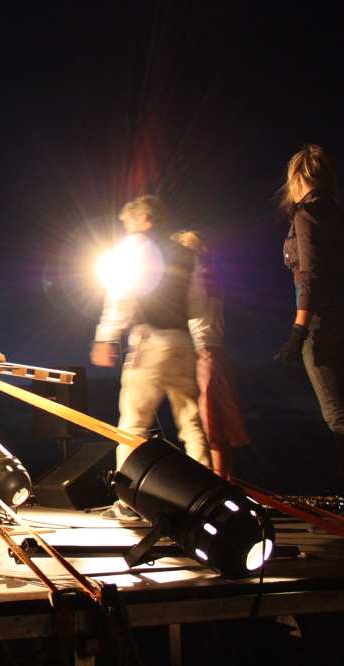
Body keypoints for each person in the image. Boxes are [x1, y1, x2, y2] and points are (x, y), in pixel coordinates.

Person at [91, 195, 211, 520]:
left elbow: (118, 292)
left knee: (132, 426)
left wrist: (105, 337)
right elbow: (197, 302)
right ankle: (208, 502)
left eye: (128, 222)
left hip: (151, 343)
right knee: (192, 426)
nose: (126, 228)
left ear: (143, 218)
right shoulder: (186, 254)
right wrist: (200, 345)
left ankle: (128, 503)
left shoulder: (136, 247)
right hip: (182, 345)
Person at [275, 145, 344, 488]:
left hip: (321, 324)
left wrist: (298, 332)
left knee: (339, 419)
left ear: (299, 178)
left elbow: (310, 278)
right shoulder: (337, 213)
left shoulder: (307, 215)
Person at [173, 230, 250, 479]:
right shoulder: (211, 277)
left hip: (203, 355)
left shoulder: (195, 278)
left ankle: (217, 488)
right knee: (221, 431)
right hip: (218, 354)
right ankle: (228, 487)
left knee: (212, 431)